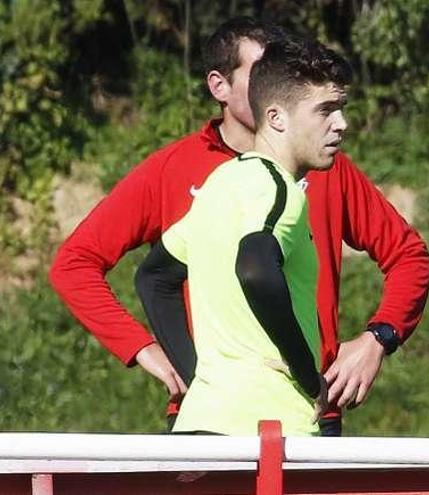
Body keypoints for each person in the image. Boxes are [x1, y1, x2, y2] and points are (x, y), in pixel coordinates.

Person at [48, 17, 429, 436]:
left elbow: (409, 255)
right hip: (211, 412)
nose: (275, 77)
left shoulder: (327, 169)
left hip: (304, 412)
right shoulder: (175, 170)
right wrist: (145, 350)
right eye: (260, 70)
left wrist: (378, 337)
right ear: (219, 86)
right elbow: (80, 265)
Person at [135, 37, 352, 435]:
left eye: (341, 109)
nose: (341, 123)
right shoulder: (280, 189)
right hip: (269, 432)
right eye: (326, 110)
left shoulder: (220, 183)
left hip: (200, 427)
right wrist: (308, 375)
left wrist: (198, 375)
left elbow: (153, 277)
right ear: (276, 117)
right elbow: (254, 267)